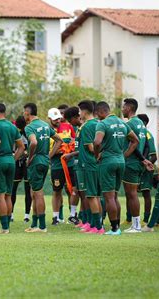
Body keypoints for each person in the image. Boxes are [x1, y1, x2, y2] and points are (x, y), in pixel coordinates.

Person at [94, 101, 151, 235]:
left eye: (98, 114)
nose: (98, 117)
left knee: (109, 196)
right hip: (121, 162)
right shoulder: (122, 123)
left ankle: (114, 228)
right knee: (114, 195)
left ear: (102, 112)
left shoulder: (103, 124)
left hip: (108, 161)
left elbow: (97, 141)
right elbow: (136, 140)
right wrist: (123, 155)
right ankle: (118, 225)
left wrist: (97, 155)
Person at [66, 100, 104, 234]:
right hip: (92, 164)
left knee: (92, 196)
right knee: (95, 196)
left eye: (79, 111)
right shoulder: (98, 124)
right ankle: (95, 224)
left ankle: (98, 227)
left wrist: (96, 156)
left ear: (84, 111)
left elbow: (90, 147)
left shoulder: (88, 126)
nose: (79, 114)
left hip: (88, 164)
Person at [23, 103, 63, 233]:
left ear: (28, 113)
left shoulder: (29, 127)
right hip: (44, 161)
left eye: (24, 112)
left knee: (38, 193)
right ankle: (34, 224)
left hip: (36, 161)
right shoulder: (45, 125)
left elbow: (33, 142)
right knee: (34, 192)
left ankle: (42, 226)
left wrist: (30, 157)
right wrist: (49, 156)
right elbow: (59, 140)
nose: (24, 114)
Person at [0, 103, 25, 233]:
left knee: (0, 196)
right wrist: (13, 159)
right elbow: (21, 146)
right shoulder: (12, 126)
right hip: (10, 162)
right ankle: (7, 227)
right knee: (8, 196)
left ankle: (4, 228)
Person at [121, 98, 149, 233]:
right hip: (138, 162)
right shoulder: (141, 124)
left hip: (131, 162)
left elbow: (135, 143)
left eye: (123, 107)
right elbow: (146, 144)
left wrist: (124, 156)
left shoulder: (130, 123)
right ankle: (134, 224)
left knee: (131, 194)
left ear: (129, 108)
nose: (122, 109)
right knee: (131, 194)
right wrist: (144, 159)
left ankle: (137, 225)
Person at [47, 108, 72, 225]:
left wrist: (67, 148)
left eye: (59, 119)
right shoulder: (47, 130)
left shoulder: (68, 127)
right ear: (49, 119)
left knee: (71, 190)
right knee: (57, 191)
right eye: (55, 119)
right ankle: (55, 217)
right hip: (56, 165)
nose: (57, 121)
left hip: (69, 164)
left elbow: (73, 142)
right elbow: (47, 149)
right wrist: (58, 150)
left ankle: (73, 215)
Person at [63, 107, 83, 225]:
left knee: (85, 193)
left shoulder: (86, 128)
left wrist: (71, 154)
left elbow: (88, 149)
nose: (70, 124)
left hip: (86, 165)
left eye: (70, 120)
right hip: (77, 164)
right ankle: (73, 215)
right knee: (75, 190)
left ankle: (88, 218)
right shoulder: (78, 129)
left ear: (76, 117)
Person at [137, 114, 157, 224]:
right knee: (131, 193)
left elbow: (154, 156)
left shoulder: (148, 135)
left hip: (145, 170)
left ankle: (145, 219)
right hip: (137, 168)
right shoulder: (138, 134)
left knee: (146, 193)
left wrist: (145, 167)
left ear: (143, 123)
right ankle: (129, 218)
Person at [11, 116, 32, 222]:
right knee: (14, 189)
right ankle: (12, 214)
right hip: (17, 162)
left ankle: (26, 215)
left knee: (27, 189)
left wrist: (26, 154)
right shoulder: (15, 132)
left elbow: (31, 146)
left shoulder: (28, 133)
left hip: (27, 163)